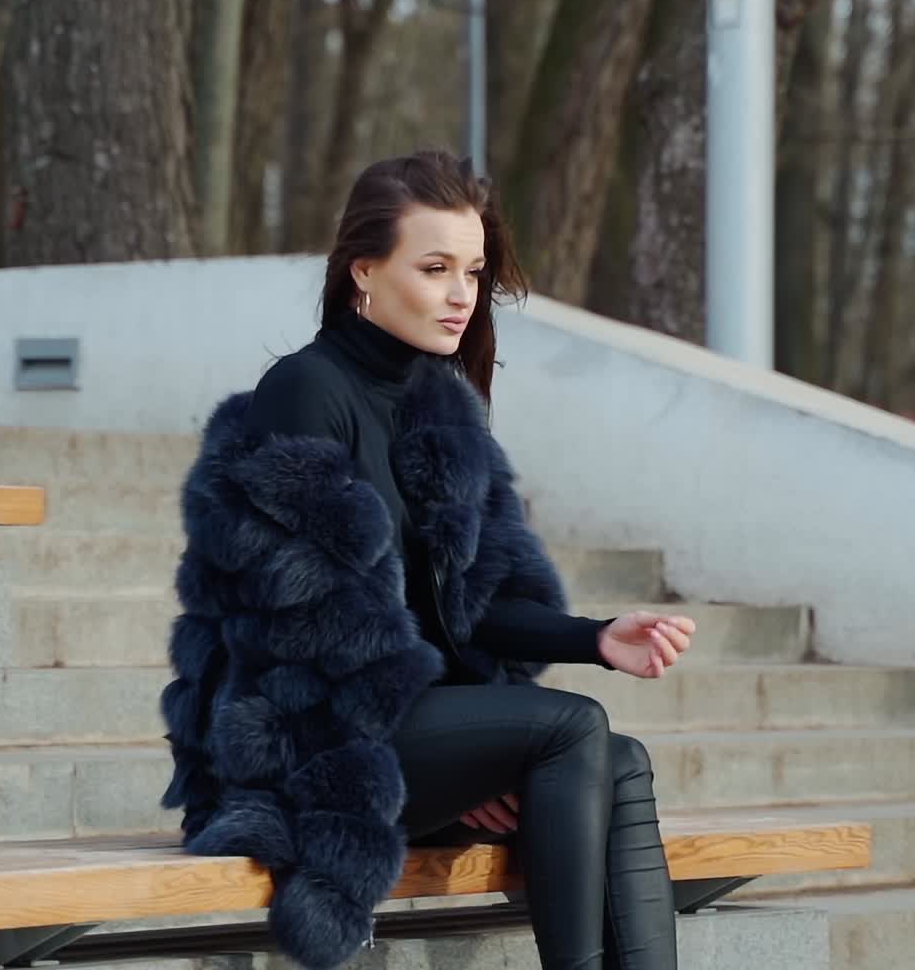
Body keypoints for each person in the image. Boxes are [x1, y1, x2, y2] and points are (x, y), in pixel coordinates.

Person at [160, 150, 696, 970]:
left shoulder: (443, 406)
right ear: (364, 272)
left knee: (620, 761)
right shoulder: (305, 392)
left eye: (474, 272)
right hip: (311, 742)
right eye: (436, 267)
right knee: (569, 729)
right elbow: (313, 636)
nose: (461, 295)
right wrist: (486, 746)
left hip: (410, 724)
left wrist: (596, 637)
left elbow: (479, 605)